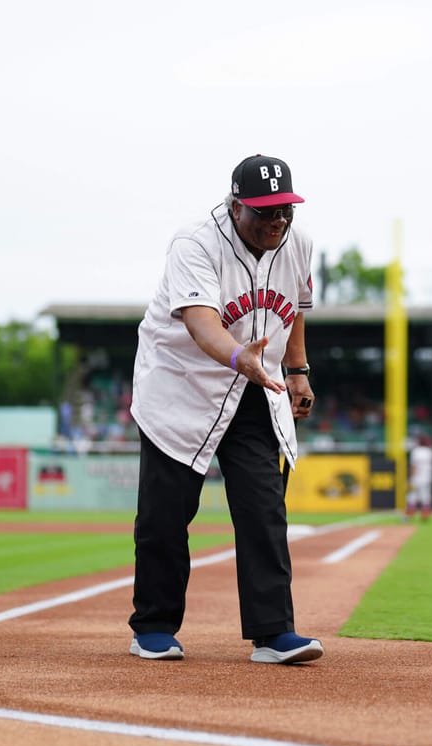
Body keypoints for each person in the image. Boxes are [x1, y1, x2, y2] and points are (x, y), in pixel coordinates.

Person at [127, 154, 325, 665]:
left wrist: (298, 371)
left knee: (264, 510)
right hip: (181, 387)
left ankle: (273, 633)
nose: (275, 222)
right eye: (263, 212)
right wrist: (243, 358)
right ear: (235, 206)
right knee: (165, 517)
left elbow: (297, 309)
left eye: (284, 211)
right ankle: (153, 627)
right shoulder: (195, 243)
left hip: (257, 387)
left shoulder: (297, 243)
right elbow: (199, 321)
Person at [407, 434, 432, 521]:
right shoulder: (430, 452)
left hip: (417, 478)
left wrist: (410, 478)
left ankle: (409, 515)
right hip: (427, 478)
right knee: (426, 497)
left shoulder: (416, 451)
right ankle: (425, 515)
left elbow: (414, 467)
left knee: (412, 496)